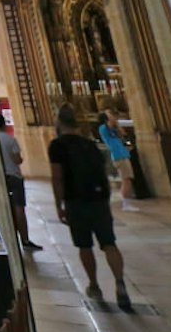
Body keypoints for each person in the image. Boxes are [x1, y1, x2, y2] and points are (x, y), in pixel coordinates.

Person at [49, 104, 132, 311]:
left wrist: (59, 205)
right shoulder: (88, 143)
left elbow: (57, 178)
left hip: (76, 201)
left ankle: (94, 284)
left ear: (59, 122)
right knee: (109, 243)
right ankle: (120, 281)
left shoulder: (57, 146)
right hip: (98, 200)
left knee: (84, 246)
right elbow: (102, 171)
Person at [0, 112, 42, 252]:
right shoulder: (10, 140)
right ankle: (25, 239)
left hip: (0, 177)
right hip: (14, 176)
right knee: (19, 208)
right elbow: (17, 159)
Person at [96, 112, 136, 209]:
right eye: (109, 116)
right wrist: (111, 118)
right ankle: (126, 203)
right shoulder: (103, 128)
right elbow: (111, 123)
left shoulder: (111, 129)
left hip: (122, 154)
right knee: (126, 179)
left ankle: (125, 201)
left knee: (126, 179)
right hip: (119, 155)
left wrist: (117, 126)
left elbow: (122, 133)